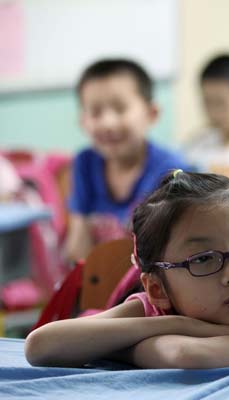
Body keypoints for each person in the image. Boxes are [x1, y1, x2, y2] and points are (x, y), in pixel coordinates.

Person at [25, 171, 229, 368]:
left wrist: (111, 344)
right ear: (157, 289)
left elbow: (188, 355)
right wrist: (182, 325)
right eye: (203, 259)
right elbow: (39, 346)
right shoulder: (156, 311)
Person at [65, 59, 188, 263]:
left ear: (151, 113)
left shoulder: (170, 169)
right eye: (96, 112)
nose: (108, 123)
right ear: (82, 121)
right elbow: (77, 249)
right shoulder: (84, 163)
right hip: (99, 279)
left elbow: (169, 251)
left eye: (120, 109)